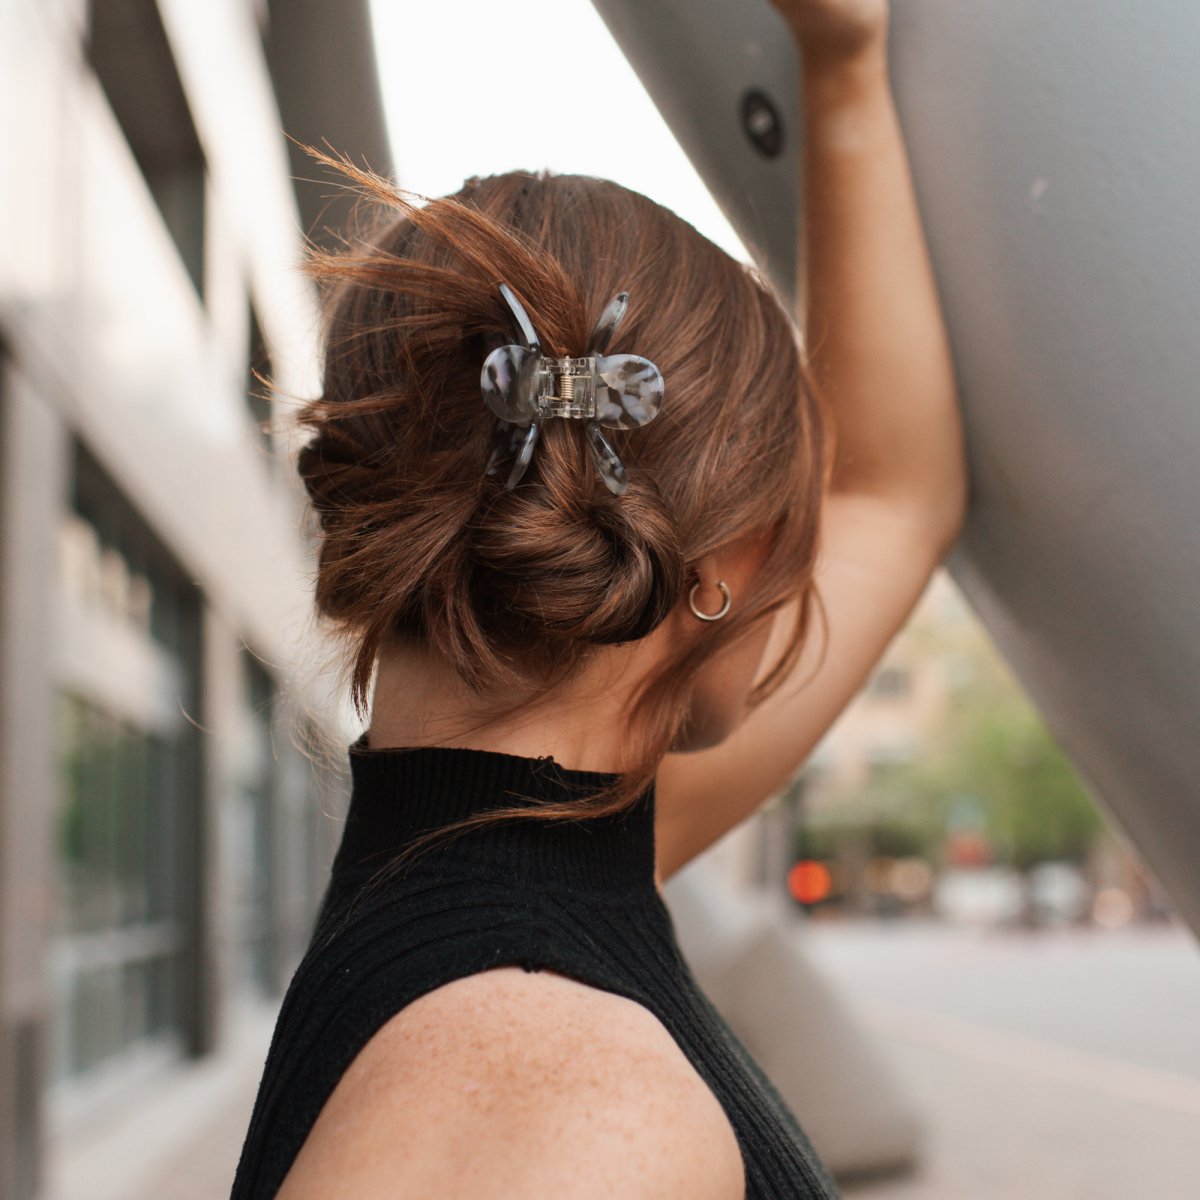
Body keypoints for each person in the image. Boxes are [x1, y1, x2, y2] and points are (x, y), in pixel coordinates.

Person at [231, 0, 965, 1195]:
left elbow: (897, 490)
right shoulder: (552, 1091)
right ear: (730, 558)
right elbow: (892, 495)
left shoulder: (518, 857)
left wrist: (845, 66)